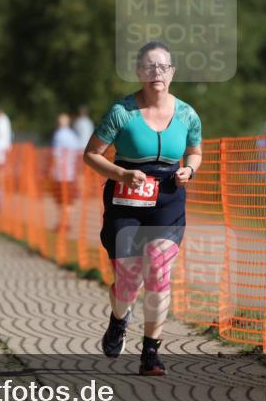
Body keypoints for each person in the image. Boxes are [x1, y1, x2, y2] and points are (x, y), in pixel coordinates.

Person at [83, 41, 202, 376]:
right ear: (138, 72)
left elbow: (195, 151)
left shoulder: (187, 114)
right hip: (126, 198)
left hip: (168, 197)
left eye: (163, 67)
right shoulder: (122, 112)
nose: (156, 73)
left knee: (160, 274)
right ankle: (119, 320)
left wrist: (189, 170)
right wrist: (121, 172)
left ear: (173, 72)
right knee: (128, 279)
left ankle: (151, 353)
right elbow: (90, 154)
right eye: (149, 67)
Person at [50, 113, 81, 234]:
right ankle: (66, 223)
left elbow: (56, 155)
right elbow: (79, 152)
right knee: (69, 201)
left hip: (60, 173)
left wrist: (52, 169)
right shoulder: (73, 135)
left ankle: (63, 223)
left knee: (61, 200)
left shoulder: (58, 135)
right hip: (71, 173)